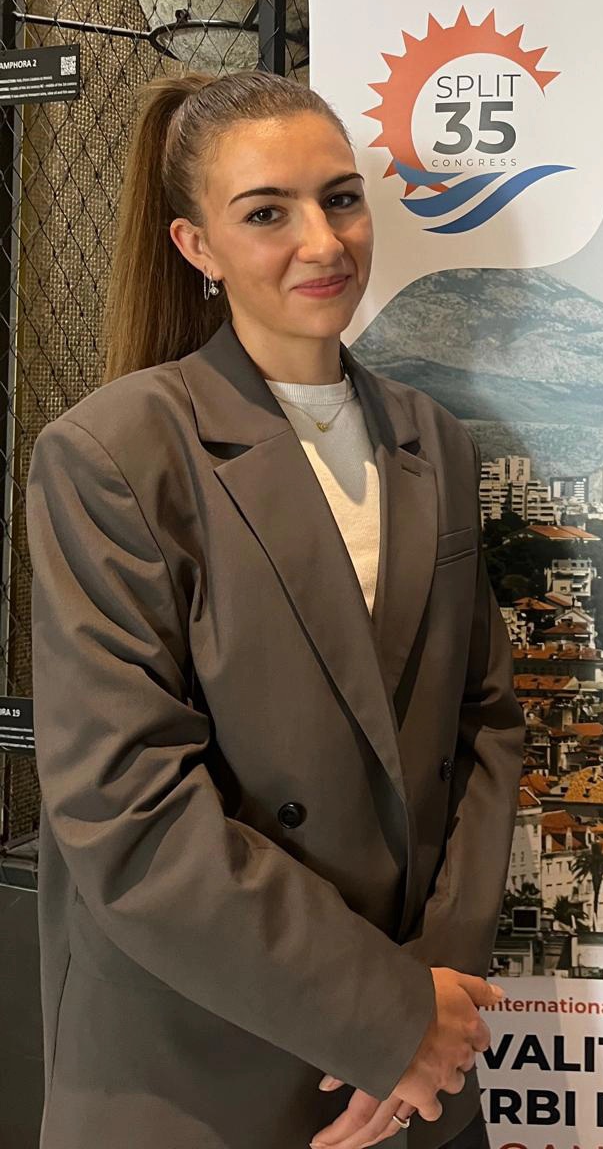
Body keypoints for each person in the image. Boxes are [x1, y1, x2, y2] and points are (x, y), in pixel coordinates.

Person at [26, 70, 525, 1149]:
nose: (323, 241)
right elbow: (127, 805)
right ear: (195, 245)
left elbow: (482, 726)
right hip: (204, 1062)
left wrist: (436, 996)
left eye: (340, 198)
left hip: (417, 1068)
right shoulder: (114, 453)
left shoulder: (432, 437)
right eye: (267, 213)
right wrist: (381, 1016)